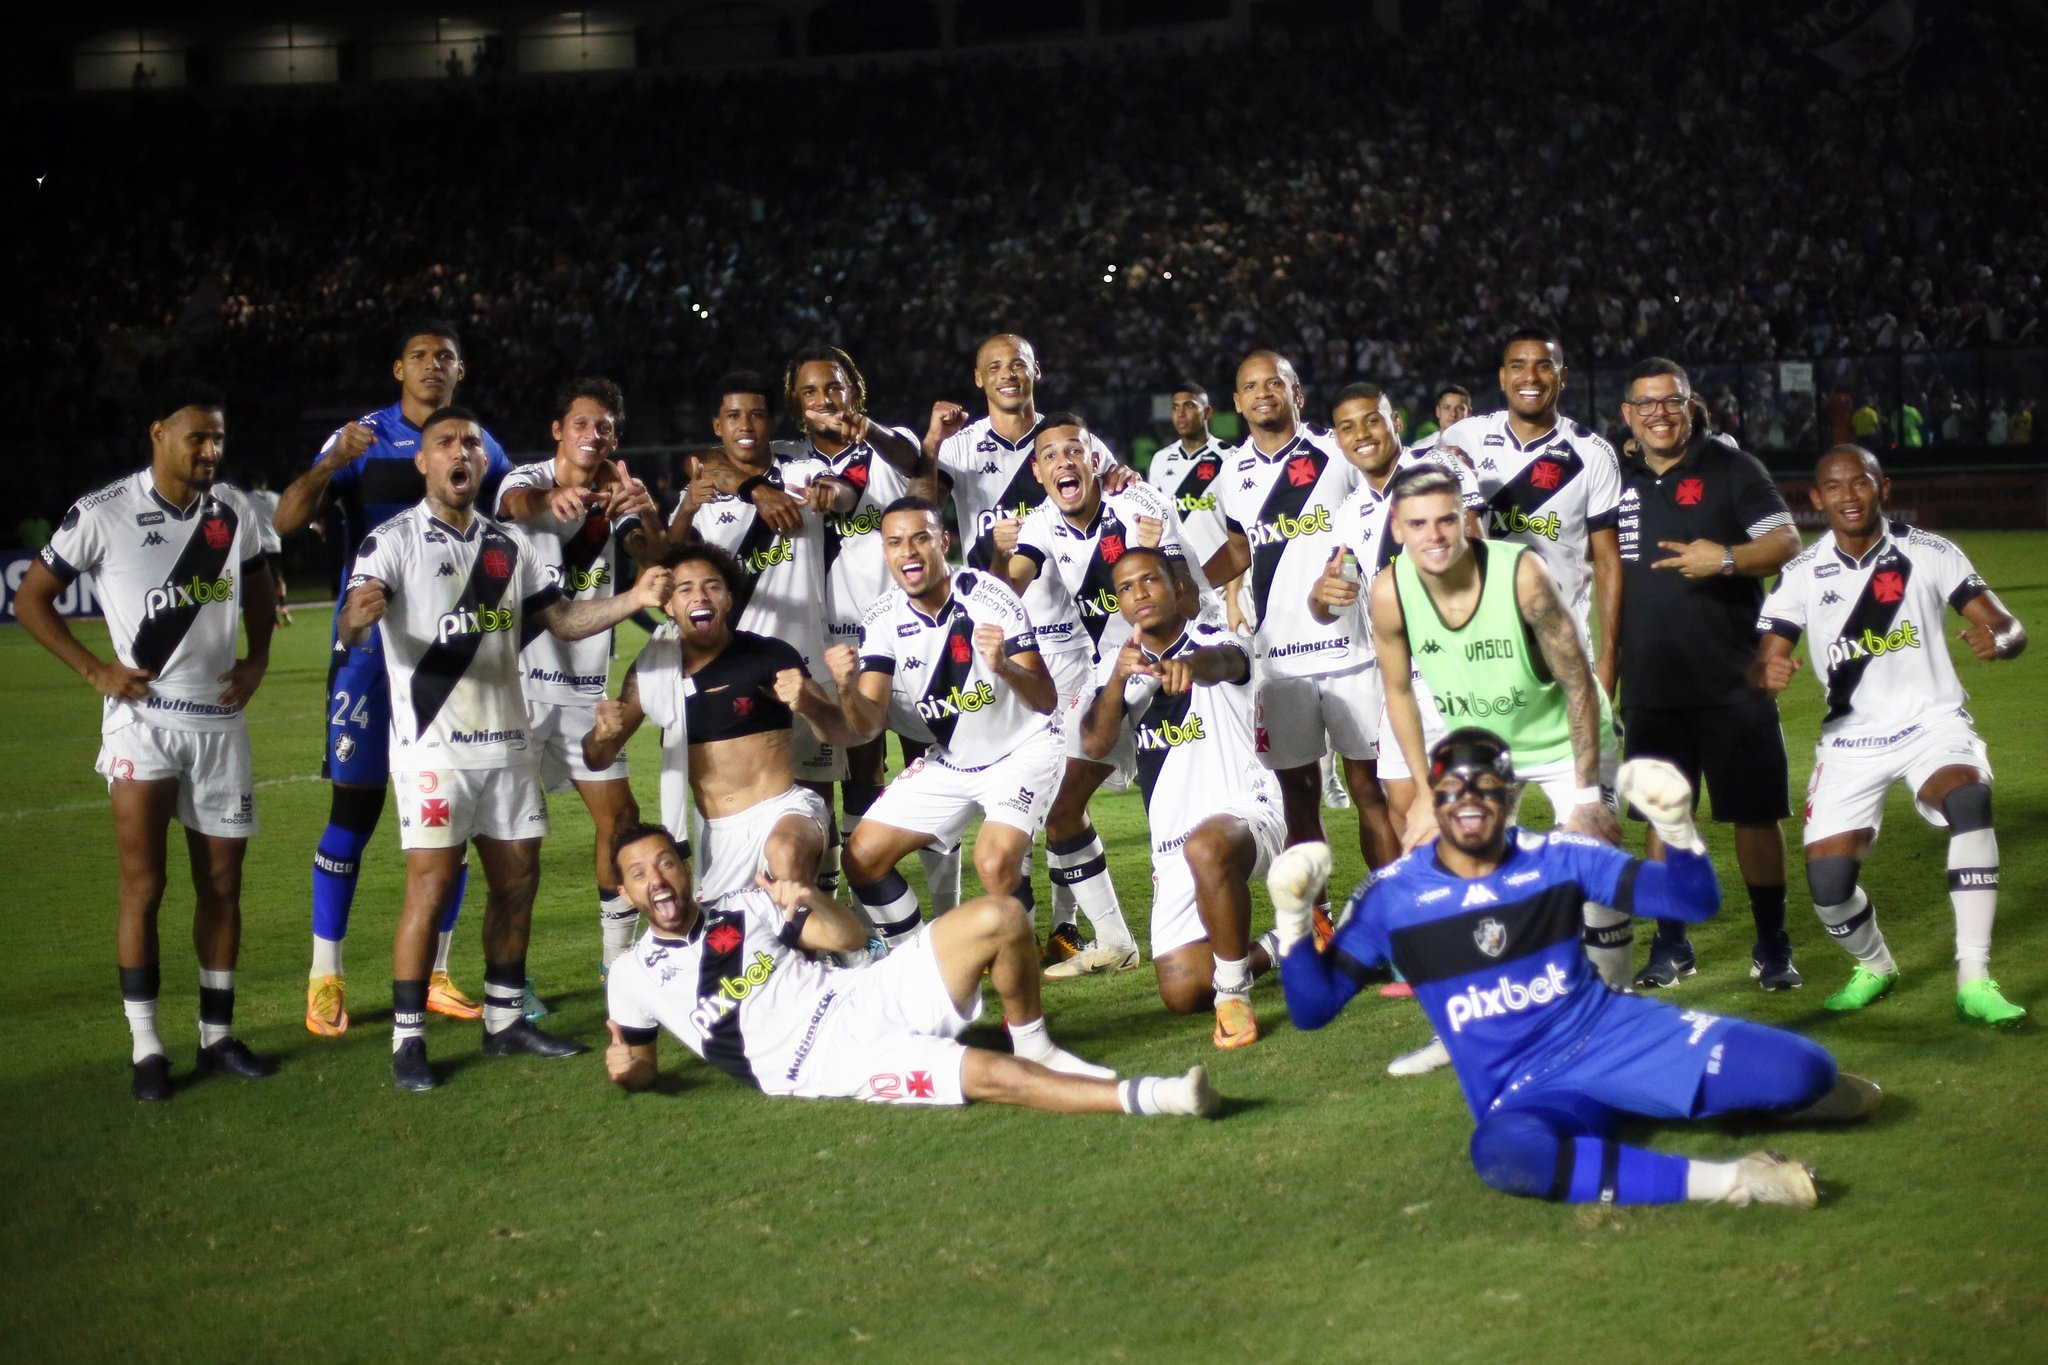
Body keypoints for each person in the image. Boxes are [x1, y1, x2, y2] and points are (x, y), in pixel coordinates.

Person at [1269, 730, 1882, 1209]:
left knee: (1806, 1069)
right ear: (1435, 797)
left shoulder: (1557, 856)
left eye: (1486, 787)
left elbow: (1692, 902)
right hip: (1527, 1088)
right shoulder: (1390, 896)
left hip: (1613, 1037)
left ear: (1510, 797)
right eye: (1453, 789)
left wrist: (1677, 827)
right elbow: (1312, 1008)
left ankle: (1733, 1093)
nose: (1470, 802)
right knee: (1506, 1157)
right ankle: (1738, 1181)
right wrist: (1294, 922)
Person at [337, 405, 673, 1090]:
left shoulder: (507, 547)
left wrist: (633, 595)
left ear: (481, 461)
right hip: (435, 751)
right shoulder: (392, 541)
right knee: (428, 890)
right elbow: (353, 617)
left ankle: (504, 1019)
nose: (459, 451)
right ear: (423, 461)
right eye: (444, 443)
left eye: (469, 443)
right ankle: (408, 1039)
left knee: (517, 883)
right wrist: (356, 616)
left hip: (507, 745)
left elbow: (565, 618)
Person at [14, 381, 278, 1100]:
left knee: (223, 884)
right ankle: (147, 1045)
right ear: (158, 433)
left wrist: (257, 658)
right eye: (197, 437)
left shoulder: (235, 513)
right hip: (145, 721)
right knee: (145, 884)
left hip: (221, 723)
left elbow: (259, 585)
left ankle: (217, 1037)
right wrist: (95, 669)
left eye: (219, 438)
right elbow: (29, 597)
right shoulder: (103, 513)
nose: (210, 450)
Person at [602, 824, 1219, 1118]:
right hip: (823, 1062)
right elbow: (642, 1065)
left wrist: (805, 897)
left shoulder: (744, 904)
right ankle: (1165, 1097)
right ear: (627, 892)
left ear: (685, 870)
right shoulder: (632, 976)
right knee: (992, 1076)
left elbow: (849, 939)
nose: (656, 880)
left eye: (665, 864)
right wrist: (628, 1070)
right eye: (639, 874)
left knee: (1002, 915)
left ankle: (1039, 1042)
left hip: (862, 992)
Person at [273, 320, 510, 1036]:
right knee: (354, 812)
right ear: (397, 369)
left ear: (460, 370)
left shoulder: (479, 444)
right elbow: (286, 519)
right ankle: (325, 978)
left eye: (445, 358)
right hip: (370, 655)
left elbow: (505, 531)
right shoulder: (362, 437)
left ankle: (437, 973)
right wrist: (326, 466)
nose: (432, 366)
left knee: (456, 817)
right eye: (419, 357)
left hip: (451, 656)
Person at [1752, 445, 2028, 1027]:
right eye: (1835, 486)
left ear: (1884, 488)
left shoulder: (1930, 552)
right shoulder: (1801, 573)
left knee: (1969, 798)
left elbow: (2006, 624)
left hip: (1933, 725)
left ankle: (1973, 976)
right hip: (1851, 742)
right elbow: (1763, 660)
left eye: (1861, 483)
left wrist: (2000, 640)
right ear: (1816, 498)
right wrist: (1766, 673)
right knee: (1828, 886)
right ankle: (1876, 965)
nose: (1849, 496)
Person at [1366, 466, 1630, 1020]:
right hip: (1485, 753)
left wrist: (1586, 798)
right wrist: (1423, 791)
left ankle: (1611, 1012)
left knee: (1596, 867)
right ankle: (1486, 1019)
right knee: (1460, 878)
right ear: (1397, 527)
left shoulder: (1520, 574)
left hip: (1567, 740)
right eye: (1418, 524)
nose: (1434, 536)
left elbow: (1577, 680)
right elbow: (1398, 692)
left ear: (1466, 519)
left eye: (1446, 520)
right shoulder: (1390, 592)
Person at [1611, 359, 1805, 991]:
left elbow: (1786, 543)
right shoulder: (1615, 476)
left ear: (1691, 405)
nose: (1659, 414)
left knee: (1754, 816)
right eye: (1646, 405)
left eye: (1671, 402)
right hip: (1652, 687)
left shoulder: (1730, 467)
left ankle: (1772, 945)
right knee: (1664, 820)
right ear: (1627, 415)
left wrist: (1723, 558)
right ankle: (1671, 945)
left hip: (1732, 682)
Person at [930, 333, 1129, 943]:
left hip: (1064, 644)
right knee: (1007, 789)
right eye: (994, 367)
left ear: (1036, 370)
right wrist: (930, 446)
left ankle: (1066, 926)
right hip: (997, 638)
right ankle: (1021, 923)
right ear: (978, 378)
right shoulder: (959, 449)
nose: (1008, 375)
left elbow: (1116, 485)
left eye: (1017, 363)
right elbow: (913, 499)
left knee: (1060, 788)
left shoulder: (1069, 440)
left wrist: (1119, 473)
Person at [991, 413, 1199, 974]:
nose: (1064, 462)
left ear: (1094, 458)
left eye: (1073, 451)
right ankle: (1115, 940)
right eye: (1051, 455)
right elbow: (1009, 583)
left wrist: (1166, 553)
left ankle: (1147, 937)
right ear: (1038, 471)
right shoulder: (1038, 525)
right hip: (1109, 677)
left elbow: (1192, 605)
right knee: (1063, 808)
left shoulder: (1140, 508)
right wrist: (997, 553)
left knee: (1180, 809)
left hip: (1166, 675)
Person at [828, 499, 1062, 943]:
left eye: (920, 538)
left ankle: (1023, 979)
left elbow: (1046, 700)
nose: (908, 553)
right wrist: (844, 686)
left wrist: (1004, 667)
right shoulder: (882, 618)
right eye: (895, 542)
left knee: (993, 864)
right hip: (952, 761)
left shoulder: (990, 596)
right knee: (860, 858)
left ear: (943, 541)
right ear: (885, 552)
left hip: (1021, 751)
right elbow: (870, 722)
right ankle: (923, 965)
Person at [494, 377, 665, 974]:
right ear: (558, 431)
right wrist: (551, 500)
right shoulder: (526, 479)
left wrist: (653, 511)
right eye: (582, 423)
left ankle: (616, 965)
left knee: (619, 820)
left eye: (605, 427)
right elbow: (516, 507)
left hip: (583, 693)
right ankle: (502, 984)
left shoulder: (615, 498)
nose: (594, 435)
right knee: (510, 845)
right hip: (515, 687)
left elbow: (652, 557)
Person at [1082, 548, 1286, 1047]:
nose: (1140, 594)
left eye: (1150, 580)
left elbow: (1225, 663)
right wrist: (1116, 681)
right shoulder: (1119, 668)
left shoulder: (1217, 641)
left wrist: (1189, 666)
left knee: (1207, 847)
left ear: (1177, 588)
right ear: (1119, 603)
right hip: (1172, 845)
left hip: (1247, 813)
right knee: (1182, 989)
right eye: (1127, 588)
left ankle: (1234, 996)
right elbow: (1094, 742)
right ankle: (1289, 942)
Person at [1201, 351, 1380, 904]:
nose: (1261, 393)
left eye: (1272, 383)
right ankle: (1319, 924)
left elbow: (1374, 518)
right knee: (1297, 797)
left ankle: (1394, 919)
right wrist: (1188, 590)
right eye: (1249, 386)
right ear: (1236, 402)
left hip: (1353, 652)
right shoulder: (1231, 473)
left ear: (1296, 392)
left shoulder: (1337, 452)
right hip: (1279, 665)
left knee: (1372, 792)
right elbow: (1237, 547)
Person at [583, 543, 848, 903]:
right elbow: (598, 758)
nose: (700, 596)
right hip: (719, 835)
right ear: (668, 605)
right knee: (730, 949)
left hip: (784, 811)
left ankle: (814, 957)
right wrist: (601, 735)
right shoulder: (653, 670)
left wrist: (809, 704)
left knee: (785, 856)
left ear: (727, 600)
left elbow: (838, 731)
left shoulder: (769, 654)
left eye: (712, 586)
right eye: (685, 588)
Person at [670, 371, 846, 880]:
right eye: (732, 415)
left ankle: (823, 907)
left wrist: (828, 493)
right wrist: (711, 498)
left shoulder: (804, 471)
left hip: (806, 660)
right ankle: (735, 902)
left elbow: (837, 485)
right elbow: (674, 558)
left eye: (755, 413)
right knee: (731, 788)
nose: (744, 425)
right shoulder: (705, 488)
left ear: (772, 421)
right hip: (730, 668)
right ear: (716, 425)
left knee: (817, 795)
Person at [782, 347, 935, 907]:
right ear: (796, 404)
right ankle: (860, 892)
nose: (825, 398)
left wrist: (865, 431)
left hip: (906, 631)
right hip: (837, 639)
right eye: (811, 391)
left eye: (835, 386)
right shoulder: (789, 463)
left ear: (855, 391)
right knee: (860, 764)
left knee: (927, 759)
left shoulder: (888, 445)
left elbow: (914, 455)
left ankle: (940, 894)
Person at [1307, 382, 1486, 857]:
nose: (1361, 434)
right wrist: (1323, 596)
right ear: (1339, 441)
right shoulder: (1350, 513)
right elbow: (1328, 600)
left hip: (1460, 665)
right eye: (1347, 427)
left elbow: (1476, 545)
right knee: (1402, 809)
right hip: (1402, 679)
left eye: (1371, 419)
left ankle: (1489, 918)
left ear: (1395, 423)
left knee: (1465, 809)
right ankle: (1429, 918)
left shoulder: (1438, 469)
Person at [1437, 330, 1623, 698]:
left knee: (1572, 757)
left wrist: (1609, 659)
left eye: (1544, 367)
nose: (1531, 378)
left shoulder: (1594, 454)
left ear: (1562, 377)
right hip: (1478, 644)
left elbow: (1607, 562)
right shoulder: (1462, 438)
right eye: (1518, 366)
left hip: (1561, 645)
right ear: (1503, 376)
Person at [1148, 381, 1246, 633]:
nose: (1180, 414)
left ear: (1207, 412)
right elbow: (1158, 528)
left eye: (1189, 406)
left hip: (1228, 583)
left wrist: (1234, 597)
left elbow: (1243, 535)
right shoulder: (1160, 461)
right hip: (1184, 585)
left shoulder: (1231, 457)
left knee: (1243, 664)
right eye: (1175, 407)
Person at [1406, 383, 1472, 457]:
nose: (1453, 414)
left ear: (1469, 413)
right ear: (1438, 411)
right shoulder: (1419, 448)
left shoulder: (1478, 447)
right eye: (1447, 407)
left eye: (1460, 408)